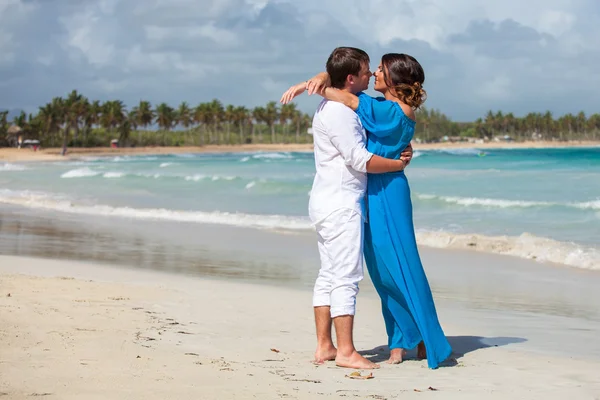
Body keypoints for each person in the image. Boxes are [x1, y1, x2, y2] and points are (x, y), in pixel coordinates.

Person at [281, 51, 452, 369]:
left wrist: (316, 82)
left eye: (381, 70)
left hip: (387, 193)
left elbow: (344, 97)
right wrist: (320, 78)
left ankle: (428, 337)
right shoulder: (384, 108)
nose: (374, 73)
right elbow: (343, 94)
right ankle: (402, 340)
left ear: (395, 79)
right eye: (370, 69)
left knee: (403, 266)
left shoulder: (389, 110)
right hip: (370, 192)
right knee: (383, 272)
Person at [298, 47, 413, 370]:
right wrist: (397, 164)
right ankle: (346, 352)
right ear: (351, 78)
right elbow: (359, 159)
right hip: (341, 204)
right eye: (365, 71)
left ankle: (325, 347)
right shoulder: (341, 113)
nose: (371, 75)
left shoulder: (331, 106)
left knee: (328, 275)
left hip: (325, 201)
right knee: (347, 277)